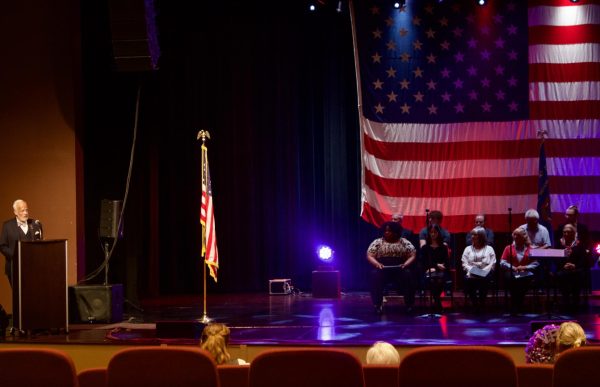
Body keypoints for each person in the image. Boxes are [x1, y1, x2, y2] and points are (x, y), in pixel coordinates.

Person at [367, 221, 417, 314]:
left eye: (389, 231)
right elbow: (370, 255)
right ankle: (377, 305)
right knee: (374, 275)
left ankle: (409, 305)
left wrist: (406, 264)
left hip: (399, 268)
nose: (387, 232)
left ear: (396, 232)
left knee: (408, 275)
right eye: (385, 231)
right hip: (383, 268)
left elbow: (413, 254)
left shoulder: (404, 242)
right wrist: (377, 264)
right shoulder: (378, 242)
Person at [0, 199, 43, 286]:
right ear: (15, 212)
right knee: (18, 295)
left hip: (32, 267)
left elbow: (40, 244)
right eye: (22, 210)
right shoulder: (7, 226)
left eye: (26, 210)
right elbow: (2, 246)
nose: (25, 213)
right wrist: (15, 255)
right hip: (14, 267)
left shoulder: (35, 224)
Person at [500, 227, 539, 314]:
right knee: (512, 280)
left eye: (518, 235)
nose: (515, 237)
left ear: (524, 237)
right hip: (512, 272)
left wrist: (525, 267)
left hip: (526, 272)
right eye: (514, 234)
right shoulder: (508, 248)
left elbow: (536, 263)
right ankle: (516, 305)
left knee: (522, 281)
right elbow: (502, 262)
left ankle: (517, 305)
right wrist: (513, 268)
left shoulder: (531, 248)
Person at [555, 224, 589, 312]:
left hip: (576, 269)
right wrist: (563, 265)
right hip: (563, 269)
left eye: (568, 232)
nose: (566, 234)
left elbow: (583, 259)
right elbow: (555, 258)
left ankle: (575, 302)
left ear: (574, 234)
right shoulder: (559, 243)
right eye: (564, 232)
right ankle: (565, 301)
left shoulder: (579, 244)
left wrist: (575, 265)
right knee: (561, 275)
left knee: (578, 275)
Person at [461, 226, 496, 311]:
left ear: (481, 236)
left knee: (484, 280)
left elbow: (492, 263)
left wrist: (482, 271)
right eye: (472, 234)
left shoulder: (489, 249)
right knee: (468, 280)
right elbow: (464, 263)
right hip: (471, 272)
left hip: (485, 273)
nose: (472, 236)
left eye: (475, 235)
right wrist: (473, 270)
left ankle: (482, 303)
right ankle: (475, 304)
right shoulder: (467, 249)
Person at [420, 224, 449, 312]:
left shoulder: (443, 247)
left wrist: (440, 267)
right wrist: (435, 266)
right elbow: (423, 262)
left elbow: (447, 262)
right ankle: (437, 302)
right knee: (432, 280)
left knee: (439, 279)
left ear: (438, 233)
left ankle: (436, 301)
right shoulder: (425, 248)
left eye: (435, 232)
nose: (433, 234)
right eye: (431, 232)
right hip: (428, 271)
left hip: (441, 272)